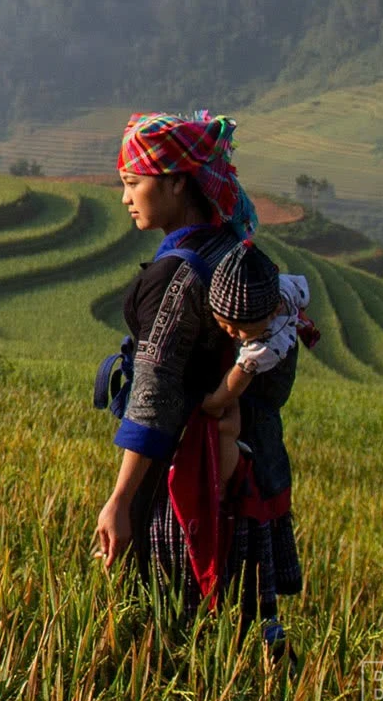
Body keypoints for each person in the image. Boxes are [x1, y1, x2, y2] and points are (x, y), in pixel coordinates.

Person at [93, 111, 301, 653]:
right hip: (246, 472)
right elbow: (275, 365)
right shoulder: (235, 255)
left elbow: (154, 397)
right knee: (245, 622)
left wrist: (119, 500)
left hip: (186, 481)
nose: (125, 198)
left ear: (179, 182)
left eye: (133, 183)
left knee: (174, 629)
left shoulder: (179, 275)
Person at [201, 242, 310, 497]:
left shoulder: (267, 344)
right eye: (223, 323)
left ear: (273, 312)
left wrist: (214, 402)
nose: (231, 332)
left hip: (267, 388)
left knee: (256, 428)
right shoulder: (281, 288)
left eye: (240, 329)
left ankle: (235, 492)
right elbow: (302, 290)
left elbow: (239, 376)